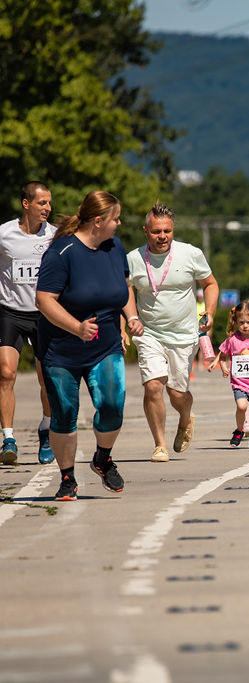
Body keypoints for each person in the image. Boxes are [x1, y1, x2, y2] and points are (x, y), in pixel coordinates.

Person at [35, 191, 144, 501]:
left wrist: (132, 316)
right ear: (99, 221)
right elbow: (44, 300)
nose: (119, 223)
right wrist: (76, 327)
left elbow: (123, 287)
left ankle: (103, 458)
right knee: (65, 414)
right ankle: (67, 477)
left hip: (105, 345)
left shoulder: (114, 247)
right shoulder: (62, 251)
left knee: (112, 406)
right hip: (61, 351)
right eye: (115, 218)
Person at [127, 203, 218, 462]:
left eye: (167, 230)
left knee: (177, 394)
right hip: (149, 333)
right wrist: (130, 318)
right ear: (145, 231)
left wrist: (209, 313)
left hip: (184, 335)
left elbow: (210, 284)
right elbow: (126, 290)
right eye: (156, 231)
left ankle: (186, 416)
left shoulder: (190, 254)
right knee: (153, 386)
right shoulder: (133, 259)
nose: (162, 236)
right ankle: (160, 445)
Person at [0, 181, 57, 465]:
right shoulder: (4, 234)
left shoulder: (55, 237)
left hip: (43, 314)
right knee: (6, 373)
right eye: (42, 203)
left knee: (46, 379)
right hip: (9, 312)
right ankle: (8, 438)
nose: (48, 208)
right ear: (26, 204)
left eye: (49, 203)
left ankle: (46, 428)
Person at [211, 300, 249, 449]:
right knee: (241, 406)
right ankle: (239, 430)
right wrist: (224, 367)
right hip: (240, 383)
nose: (245, 326)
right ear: (236, 321)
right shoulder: (232, 340)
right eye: (241, 322)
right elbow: (223, 356)